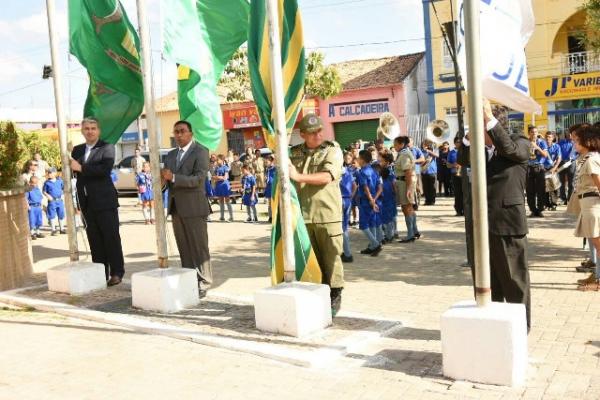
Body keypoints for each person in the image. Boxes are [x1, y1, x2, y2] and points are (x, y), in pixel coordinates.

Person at [482, 100, 531, 331]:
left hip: (508, 222)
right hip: (483, 225)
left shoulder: (520, 142)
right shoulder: (482, 150)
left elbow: (510, 150)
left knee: (514, 280)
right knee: (491, 281)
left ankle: (520, 327)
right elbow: (462, 159)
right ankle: (495, 324)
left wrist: (487, 117)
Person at [289, 113, 345, 315]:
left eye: (320, 130)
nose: (317, 135)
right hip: (302, 216)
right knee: (310, 261)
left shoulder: (332, 150)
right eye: (312, 132)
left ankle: (335, 296)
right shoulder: (293, 152)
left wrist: (297, 176)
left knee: (331, 259)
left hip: (326, 214)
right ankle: (316, 297)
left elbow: (327, 176)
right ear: (302, 134)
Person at [70, 117, 124, 286]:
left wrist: (81, 168)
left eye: (93, 128)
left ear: (98, 130)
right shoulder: (77, 150)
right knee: (94, 239)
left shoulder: (107, 148)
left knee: (111, 237)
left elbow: (103, 170)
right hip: (86, 202)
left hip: (105, 201)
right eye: (86, 128)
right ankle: (100, 272)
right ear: (82, 131)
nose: (90, 131)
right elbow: (73, 174)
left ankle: (117, 272)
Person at [162, 120, 212, 292]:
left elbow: (199, 179)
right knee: (183, 246)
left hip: (194, 206)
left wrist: (174, 177)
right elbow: (165, 180)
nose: (179, 134)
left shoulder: (200, 151)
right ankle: (189, 278)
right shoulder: (170, 155)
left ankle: (204, 281)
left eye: (182, 131)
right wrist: (163, 180)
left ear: (191, 133)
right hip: (176, 207)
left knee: (198, 246)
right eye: (176, 132)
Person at [567, 124, 600, 290]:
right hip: (588, 205)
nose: (574, 143)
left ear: (586, 141)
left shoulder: (592, 159)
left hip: (593, 206)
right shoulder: (586, 158)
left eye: (577, 140)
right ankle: (597, 277)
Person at [356, 150, 383, 256]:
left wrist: (371, 201)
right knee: (372, 223)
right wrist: (375, 199)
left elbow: (365, 188)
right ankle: (372, 246)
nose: (357, 159)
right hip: (373, 200)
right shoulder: (373, 171)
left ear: (362, 160)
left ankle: (375, 244)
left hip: (366, 201)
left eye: (358, 158)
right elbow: (379, 187)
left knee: (363, 225)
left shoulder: (362, 172)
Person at [394, 136, 420, 243]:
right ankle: (414, 231)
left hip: (405, 183)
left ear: (401, 144)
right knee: (410, 207)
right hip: (405, 182)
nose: (394, 147)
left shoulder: (404, 155)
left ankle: (410, 234)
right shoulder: (404, 153)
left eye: (396, 144)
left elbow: (408, 172)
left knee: (407, 208)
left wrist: (409, 189)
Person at [526, 125, 549, 217]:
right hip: (529, 168)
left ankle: (540, 210)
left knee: (541, 189)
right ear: (529, 133)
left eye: (536, 132)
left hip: (539, 167)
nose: (534, 134)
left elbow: (545, 155)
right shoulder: (526, 142)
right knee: (530, 190)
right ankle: (532, 210)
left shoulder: (542, 142)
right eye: (532, 132)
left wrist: (537, 147)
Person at [340, 152, 356, 263]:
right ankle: (347, 252)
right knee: (344, 227)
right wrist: (351, 196)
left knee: (340, 228)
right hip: (348, 200)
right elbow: (355, 186)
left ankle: (347, 253)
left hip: (340, 200)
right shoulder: (348, 172)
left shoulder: (336, 172)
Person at [379, 152, 397, 243]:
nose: (379, 162)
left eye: (381, 160)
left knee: (388, 218)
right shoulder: (386, 171)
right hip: (387, 199)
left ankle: (390, 235)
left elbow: (394, 185)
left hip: (388, 199)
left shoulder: (389, 172)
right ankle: (392, 233)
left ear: (386, 162)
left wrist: (396, 195)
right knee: (390, 217)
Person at [43, 167, 66, 236]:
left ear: (55, 173)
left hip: (59, 200)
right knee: (52, 215)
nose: (49, 174)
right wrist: (48, 196)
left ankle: (62, 228)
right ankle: (53, 230)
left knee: (61, 214)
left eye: (50, 173)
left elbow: (63, 188)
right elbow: (44, 191)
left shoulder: (60, 181)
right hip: (52, 201)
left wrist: (62, 193)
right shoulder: (47, 183)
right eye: (48, 173)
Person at [558, 128, 577, 204]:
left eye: (570, 133)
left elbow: (578, 153)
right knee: (561, 182)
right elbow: (557, 152)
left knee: (571, 182)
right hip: (562, 163)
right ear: (565, 134)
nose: (569, 135)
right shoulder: (560, 142)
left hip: (571, 163)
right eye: (568, 133)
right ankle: (563, 199)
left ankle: (570, 199)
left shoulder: (575, 143)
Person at [543, 131, 562, 211]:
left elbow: (559, 158)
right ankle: (546, 204)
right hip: (543, 168)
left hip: (552, 168)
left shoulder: (556, 146)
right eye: (547, 137)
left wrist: (555, 167)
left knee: (554, 187)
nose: (548, 139)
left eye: (550, 137)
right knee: (545, 187)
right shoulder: (542, 146)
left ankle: (554, 204)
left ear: (553, 138)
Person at [213, 154, 234, 222]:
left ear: (222, 160)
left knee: (227, 200)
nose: (217, 161)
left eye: (218, 159)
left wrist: (218, 178)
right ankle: (222, 216)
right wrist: (219, 178)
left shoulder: (225, 167)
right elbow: (213, 177)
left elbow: (225, 177)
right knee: (221, 201)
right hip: (219, 185)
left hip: (225, 186)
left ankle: (231, 217)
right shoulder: (216, 168)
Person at [447, 136, 463, 216]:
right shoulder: (451, 152)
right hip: (455, 174)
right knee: (457, 193)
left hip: (464, 174)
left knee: (465, 192)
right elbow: (447, 165)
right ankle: (458, 210)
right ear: (454, 143)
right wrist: (454, 164)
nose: (459, 143)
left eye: (460, 142)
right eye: (457, 142)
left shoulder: (465, 150)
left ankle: (466, 210)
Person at [408, 137, 425, 207]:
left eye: (409, 141)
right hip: (407, 172)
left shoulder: (416, 149)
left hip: (416, 172)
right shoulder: (403, 150)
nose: (408, 143)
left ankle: (417, 200)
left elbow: (422, 159)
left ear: (412, 142)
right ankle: (412, 202)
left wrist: (414, 161)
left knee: (417, 188)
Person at [26, 175, 44, 240]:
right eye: (33, 183)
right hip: (32, 207)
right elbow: (26, 199)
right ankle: (32, 233)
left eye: (36, 183)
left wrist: (41, 205)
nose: (34, 184)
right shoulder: (28, 190)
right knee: (32, 220)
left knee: (38, 220)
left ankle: (38, 232)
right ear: (30, 182)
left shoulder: (37, 189)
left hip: (38, 206)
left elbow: (40, 198)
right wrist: (28, 206)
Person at [421, 139, 438, 205]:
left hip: (432, 171)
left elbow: (437, 156)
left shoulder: (433, 151)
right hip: (424, 171)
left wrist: (429, 151)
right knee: (425, 187)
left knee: (432, 187)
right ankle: (427, 200)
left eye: (426, 144)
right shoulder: (421, 151)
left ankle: (432, 200)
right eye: (424, 144)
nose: (424, 145)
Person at [263, 155, 276, 223]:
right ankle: (270, 217)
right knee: (269, 203)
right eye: (265, 162)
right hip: (268, 187)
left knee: (275, 202)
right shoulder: (267, 169)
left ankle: (275, 217)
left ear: (271, 162)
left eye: (267, 162)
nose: (266, 163)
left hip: (274, 187)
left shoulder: (275, 168)